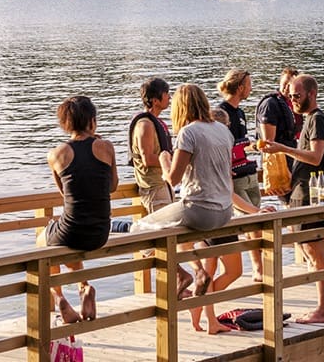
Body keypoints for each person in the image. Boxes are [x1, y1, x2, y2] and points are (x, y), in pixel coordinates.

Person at [133, 84, 259, 307]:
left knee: (138, 230)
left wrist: (164, 158)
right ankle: (197, 272)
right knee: (182, 239)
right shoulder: (224, 131)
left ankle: (187, 273)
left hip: (198, 209)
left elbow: (173, 179)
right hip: (224, 212)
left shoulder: (188, 132)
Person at [37, 96, 118, 324]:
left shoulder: (55, 155)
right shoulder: (106, 147)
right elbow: (112, 186)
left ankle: (59, 297)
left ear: (65, 124)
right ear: (92, 121)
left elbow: (65, 194)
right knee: (70, 241)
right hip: (100, 231)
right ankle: (84, 287)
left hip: (72, 230)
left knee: (43, 243)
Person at [261, 74, 324, 323]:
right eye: (290, 95)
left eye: (296, 95)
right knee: (309, 250)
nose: (291, 100)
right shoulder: (309, 120)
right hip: (301, 191)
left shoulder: (317, 120)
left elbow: (315, 157)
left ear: (311, 94)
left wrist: (281, 148)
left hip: (311, 195)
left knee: (315, 252)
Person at [216, 68, 263, 282]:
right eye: (249, 84)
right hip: (234, 177)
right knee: (250, 218)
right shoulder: (220, 113)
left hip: (249, 171)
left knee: (258, 222)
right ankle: (257, 268)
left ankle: (260, 265)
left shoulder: (241, 113)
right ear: (240, 86)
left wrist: (254, 146)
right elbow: (220, 145)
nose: (251, 89)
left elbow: (240, 143)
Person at [128, 78, 174, 215]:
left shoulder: (154, 122)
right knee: (165, 231)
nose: (169, 97)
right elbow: (147, 159)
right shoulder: (145, 125)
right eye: (166, 94)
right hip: (154, 188)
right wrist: (175, 161)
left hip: (163, 184)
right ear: (155, 100)